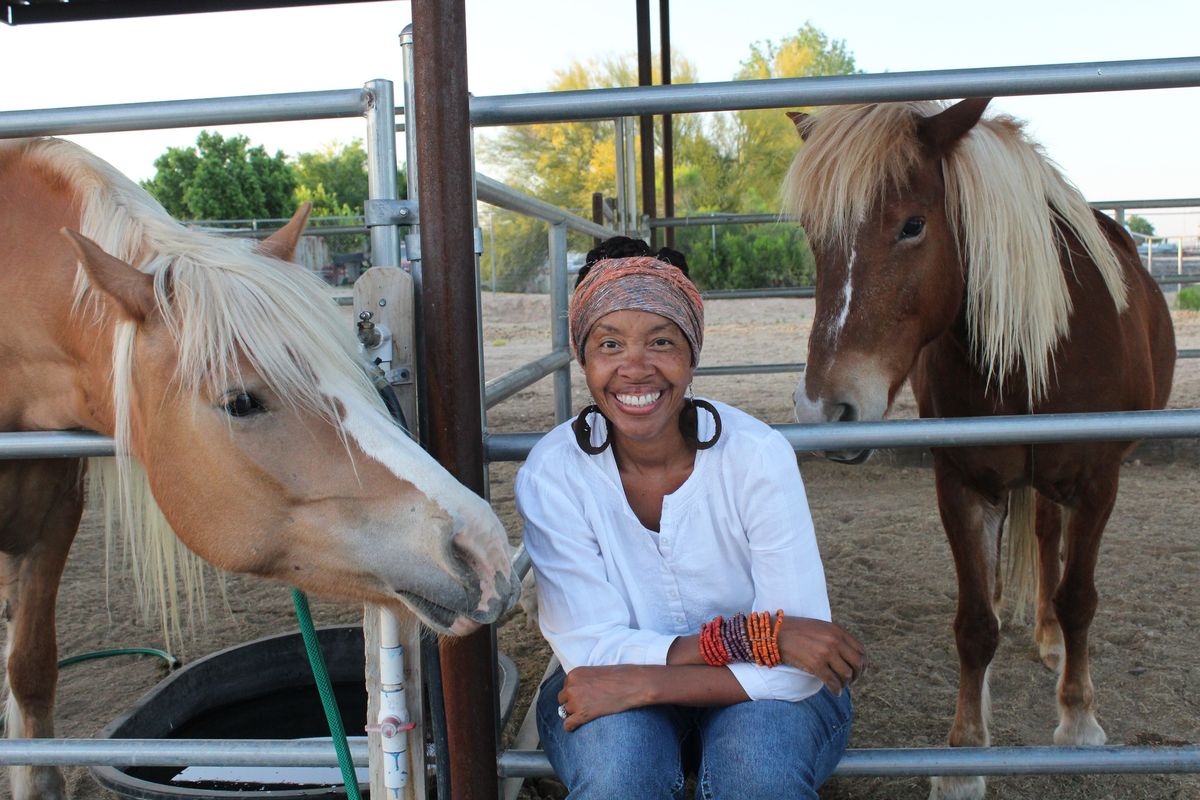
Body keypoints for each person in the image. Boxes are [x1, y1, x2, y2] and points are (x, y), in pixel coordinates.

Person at [515, 237, 866, 799]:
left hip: (770, 694)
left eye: (661, 342)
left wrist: (644, 682)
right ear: (584, 359)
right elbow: (591, 652)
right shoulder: (553, 474)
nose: (636, 368)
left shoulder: (757, 456)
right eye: (609, 344)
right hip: (628, 683)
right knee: (617, 778)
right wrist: (763, 637)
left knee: (759, 778)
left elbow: (799, 668)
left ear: (692, 355)